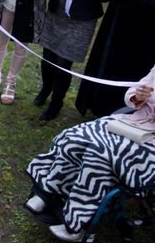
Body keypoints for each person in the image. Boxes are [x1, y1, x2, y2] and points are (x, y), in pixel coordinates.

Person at [25, 65, 155, 242]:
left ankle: (78, 223)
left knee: (99, 153)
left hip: (150, 142)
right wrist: (138, 96)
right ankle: (48, 191)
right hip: (133, 122)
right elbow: (133, 92)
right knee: (73, 136)